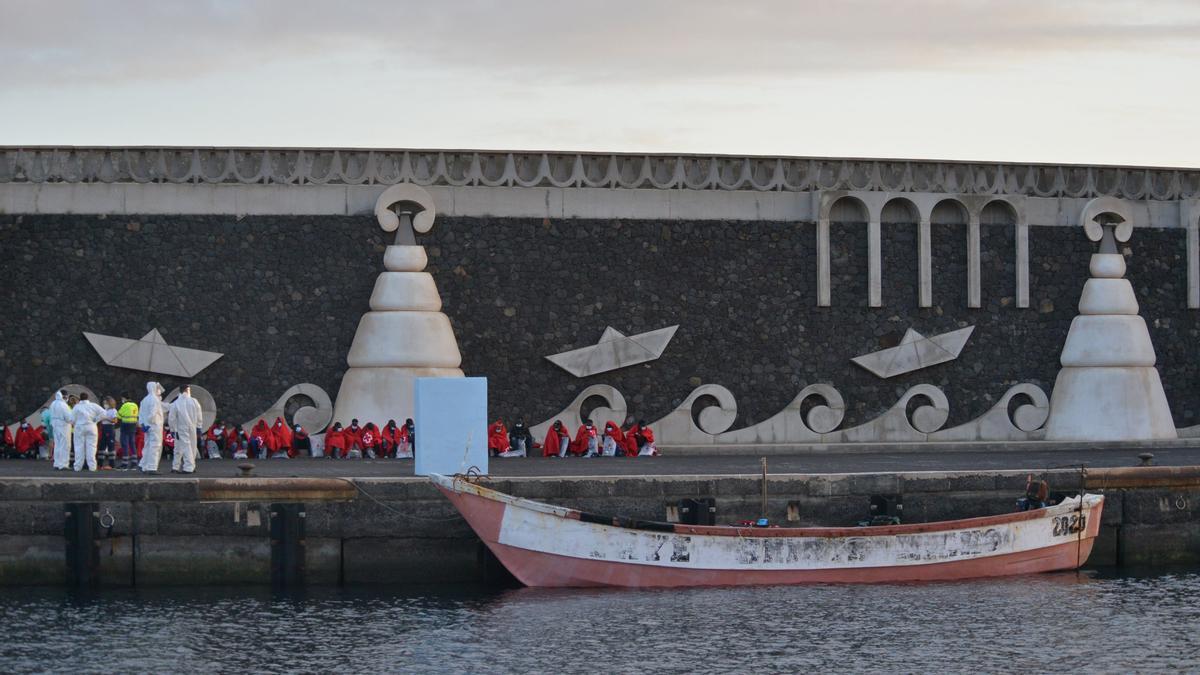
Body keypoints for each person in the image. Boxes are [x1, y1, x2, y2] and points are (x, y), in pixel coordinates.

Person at [167, 386, 202, 474]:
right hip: (193, 427)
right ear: (187, 390)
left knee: (183, 447)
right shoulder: (194, 401)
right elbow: (199, 414)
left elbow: (171, 418)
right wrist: (199, 427)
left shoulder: (176, 403)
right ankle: (190, 466)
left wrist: (172, 429)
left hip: (180, 428)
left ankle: (185, 467)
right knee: (192, 446)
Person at [71, 393, 108, 472]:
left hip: (80, 427)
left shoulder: (76, 407)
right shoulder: (93, 405)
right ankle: (92, 467)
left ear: (80, 398)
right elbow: (104, 413)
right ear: (88, 398)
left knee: (79, 447)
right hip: (91, 426)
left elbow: (72, 419)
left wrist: (75, 423)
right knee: (91, 447)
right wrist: (96, 419)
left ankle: (78, 467)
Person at [137, 382, 166, 474]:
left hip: (147, 427)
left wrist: (143, 424)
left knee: (147, 445)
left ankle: (143, 465)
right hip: (154, 426)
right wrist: (149, 423)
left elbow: (140, 414)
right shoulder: (155, 400)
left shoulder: (144, 399)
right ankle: (152, 467)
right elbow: (153, 413)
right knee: (155, 446)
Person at [49, 390, 73, 470]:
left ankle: (57, 463)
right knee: (65, 445)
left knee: (58, 445)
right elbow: (69, 417)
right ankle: (63, 464)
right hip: (63, 426)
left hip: (55, 425)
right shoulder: (63, 405)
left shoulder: (53, 403)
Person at [116, 396, 139, 469]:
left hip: (125, 425)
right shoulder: (135, 405)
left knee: (125, 444)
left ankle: (125, 463)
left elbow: (118, 415)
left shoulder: (125, 405)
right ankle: (134, 462)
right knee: (132, 443)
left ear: (124, 398)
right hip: (133, 425)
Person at [97, 396, 118, 470]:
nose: (105, 404)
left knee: (111, 447)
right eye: (104, 403)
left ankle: (112, 464)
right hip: (103, 428)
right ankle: (100, 464)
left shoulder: (113, 411)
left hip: (110, 428)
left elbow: (115, 421)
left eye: (106, 403)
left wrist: (106, 418)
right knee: (102, 446)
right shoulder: (104, 410)